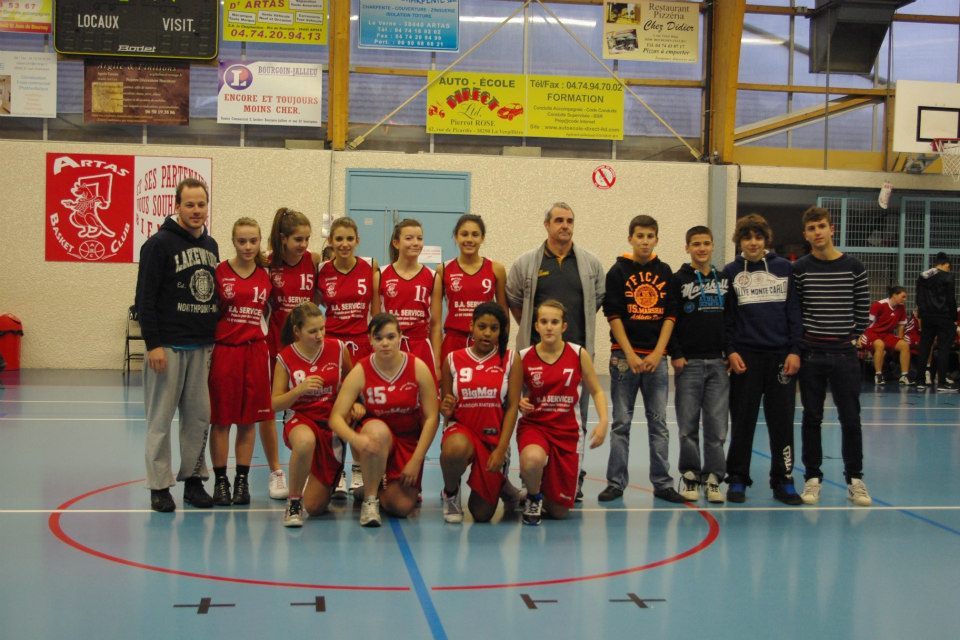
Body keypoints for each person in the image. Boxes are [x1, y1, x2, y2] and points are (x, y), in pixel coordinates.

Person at [506, 202, 604, 501]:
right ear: (546, 224)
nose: (565, 225)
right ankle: (531, 479)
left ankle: (573, 478)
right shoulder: (526, 263)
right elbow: (515, 300)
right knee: (532, 416)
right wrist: (537, 332)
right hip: (537, 358)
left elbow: (596, 301)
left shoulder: (590, 263)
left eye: (569, 221)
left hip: (575, 359)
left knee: (576, 421)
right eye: (559, 220)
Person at [135, 178, 219, 512]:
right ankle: (158, 486)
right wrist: (153, 344)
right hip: (167, 348)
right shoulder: (158, 245)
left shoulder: (211, 245)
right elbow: (144, 299)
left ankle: (194, 481)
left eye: (201, 204)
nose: (196, 210)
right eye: (190, 204)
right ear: (177, 206)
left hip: (201, 346)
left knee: (198, 418)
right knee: (160, 420)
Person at [598, 214, 683, 504]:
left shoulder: (665, 271)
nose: (645, 241)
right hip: (624, 358)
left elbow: (671, 314)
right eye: (640, 236)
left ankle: (662, 483)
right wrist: (630, 353)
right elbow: (613, 314)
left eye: (650, 236)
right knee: (621, 422)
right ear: (630, 238)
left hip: (656, 359)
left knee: (659, 423)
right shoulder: (617, 271)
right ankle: (615, 482)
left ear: (656, 239)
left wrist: (659, 352)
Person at [328, 313, 440, 527]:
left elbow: (432, 417)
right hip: (376, 437)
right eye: (378, 338)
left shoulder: (417, 367)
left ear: (400, 337)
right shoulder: (361, 369)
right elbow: (335, 418)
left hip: (407, 439)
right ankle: (370, 501)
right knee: (376, 432)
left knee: (401, 507)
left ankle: (373, 487)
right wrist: (356, 439)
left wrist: (417, 460)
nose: (385, 343)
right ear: (370, 340)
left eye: (390, 337)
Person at [793, 207, 871, 506]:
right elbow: (796, 310)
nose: (818, 232)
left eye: (822, 226)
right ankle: (812, 478)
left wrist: (850, 336)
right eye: (812, 228)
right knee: (811, 417)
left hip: (844, 356)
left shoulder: (854, 266)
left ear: (831, 229)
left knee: (850, 418)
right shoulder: (800, 269)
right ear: (805, 234)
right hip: (811, 355)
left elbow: (862, 308)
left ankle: (855, 479)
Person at [723, 214, 803, 505]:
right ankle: (737, 478)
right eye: (747, 238)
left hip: (781, 358)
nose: (753, 243)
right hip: (746, 359)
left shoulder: (784, 268)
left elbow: (794, 312)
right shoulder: (731, 272)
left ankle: (783, 479)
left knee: (782, 422)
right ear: (739, 241)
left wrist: (795, 350)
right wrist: (731, 351)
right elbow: (727, 318)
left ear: (765, 239)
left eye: (758, 237)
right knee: (742, 421)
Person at [514, 300, 608, 525]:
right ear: (536, 326)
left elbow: (597, 390)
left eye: (554, 322)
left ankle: (544, 486)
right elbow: (511, 393)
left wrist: (604, 421)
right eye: (544, 321)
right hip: (535, 427)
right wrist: (519, 402)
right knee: (532, 459)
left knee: (559, 512)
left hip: (567, 432)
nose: (549, 327)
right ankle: (533, 496)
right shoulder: (523, 356)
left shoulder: (578, 353)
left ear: (563, 326)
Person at [272, 303, 361, 527]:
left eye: (322, 328)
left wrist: (354, 404)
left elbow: (354, 382)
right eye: (313, 331)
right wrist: (298, 390)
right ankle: (293, 503)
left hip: (331, 422)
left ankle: (359, 484)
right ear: (297, 331)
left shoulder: (338, 348)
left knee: (314, 507)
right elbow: (274, 403)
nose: (320, 335)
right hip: (301, 418)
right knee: (305, 441)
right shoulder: (285, 357)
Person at [208, 218, 274, 506]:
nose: (247, 246)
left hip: (255, 352)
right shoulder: (219, 272)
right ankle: (221, 481)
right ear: (233, 242)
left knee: (248, 422)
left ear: (260, 242)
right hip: (225, 351)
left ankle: (242, 481)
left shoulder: (267, 275)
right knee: (221, 420)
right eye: (242, 241)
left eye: (253, 241)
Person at [438, 302, 522, 524]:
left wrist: (501, 448)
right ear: (471, 326)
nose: (487, 333)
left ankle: (505, 488)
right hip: (462, 431)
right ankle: (451, 493)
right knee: (455, 449)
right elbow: (446, 407)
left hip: (492, 438)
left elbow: (512, 406)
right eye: (482, 326)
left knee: (482, 514)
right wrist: (445, 408)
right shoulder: (452, 359)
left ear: (501, 331)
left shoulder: (511, 359)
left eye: (494, 328)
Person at [315, 216, 380, 499]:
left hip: (361, 347)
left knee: (359, 409)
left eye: (349, 239)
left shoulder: (370, 268)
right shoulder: (322, 271)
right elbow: (315, 310)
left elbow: (376, 312)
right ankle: (336, 470)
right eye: (338, 239)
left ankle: (357, 468)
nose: (344, 244)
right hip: (332, 348)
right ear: (330, 241)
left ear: (357, 240)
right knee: (334, 408)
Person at [262, 207, 324, 500]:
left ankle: (316, 469)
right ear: (283, 238)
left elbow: (319, 299)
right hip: (275, 345)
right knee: (268, 408)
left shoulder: (314, 261)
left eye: (307, 238)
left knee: (309, 405)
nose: (304, 244)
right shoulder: (268, 263)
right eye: (298, 239)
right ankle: (276, 471)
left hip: (306, 348)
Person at [669, 226, 730, 504]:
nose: (701, 248)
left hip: (718, 363)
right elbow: (670, 319)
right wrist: (676, 353)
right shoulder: (677, 280)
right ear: (687, 247)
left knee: (717, 427)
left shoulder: (724, 280)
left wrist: (730, 351)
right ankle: (691, 475)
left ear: (713, 245)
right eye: (696, 244)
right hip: (689, 363)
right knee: (687, 426)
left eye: (706, 243)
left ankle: (714, 477)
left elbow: (732, 320)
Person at [433, 214, 508, 363]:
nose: (469, 239)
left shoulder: (496, 269)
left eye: (475, 234)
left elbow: (504, 312)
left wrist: (502, 346)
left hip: (486, 342)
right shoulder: (443, 269)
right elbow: (435, 319)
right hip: (453, 341)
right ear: (456, 237)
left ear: (482, 238)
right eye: (464, 234)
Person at [379, 219, 441, 377]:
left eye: (419, 238)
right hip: (390, 346)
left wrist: (437, 362)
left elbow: (435, 325)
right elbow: (374, 319)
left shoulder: (433, 276)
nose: (415, 243)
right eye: (409, 238)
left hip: (420, 346)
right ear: (396, 243)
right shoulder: (380, 274)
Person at [915, 252, 957, 391]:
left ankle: (920, 381)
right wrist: (954, 317)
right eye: (948, 267)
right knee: (944, 348)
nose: (948, 269)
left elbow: (919, 297)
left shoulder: (923, 275)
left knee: (924, 348)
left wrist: (921, 314)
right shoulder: (948, 277)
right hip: (944, 316)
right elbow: (950, 299)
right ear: (946, 264)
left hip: (927, 316)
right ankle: (941, 382)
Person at [861, 286, 910, 386]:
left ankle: (904, 376)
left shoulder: (901, 307)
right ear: (894, 295)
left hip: (887, 335)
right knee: (880, 345)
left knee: (904, 345)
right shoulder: (879, 305)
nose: (905, 299)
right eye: (903, 296)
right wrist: (860, 336)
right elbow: (867, 323)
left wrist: (899, 340)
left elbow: (901, 325)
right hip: (872, 333)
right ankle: (878, 375)